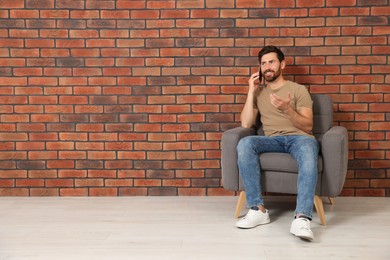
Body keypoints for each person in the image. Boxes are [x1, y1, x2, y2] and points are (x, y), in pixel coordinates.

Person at [235, 45, 319, 241]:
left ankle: (302, 218)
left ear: (282, 64)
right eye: (263, 64)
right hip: (272, 139)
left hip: (300, 139)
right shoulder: (258, 92)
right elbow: (246, 123)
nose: (267, 67)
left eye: (271, 62)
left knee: (308, 150)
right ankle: (258, 210)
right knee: (245, 143)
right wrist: (250, 91)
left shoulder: (298, 89)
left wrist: (287, 109)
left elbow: (308, 126)